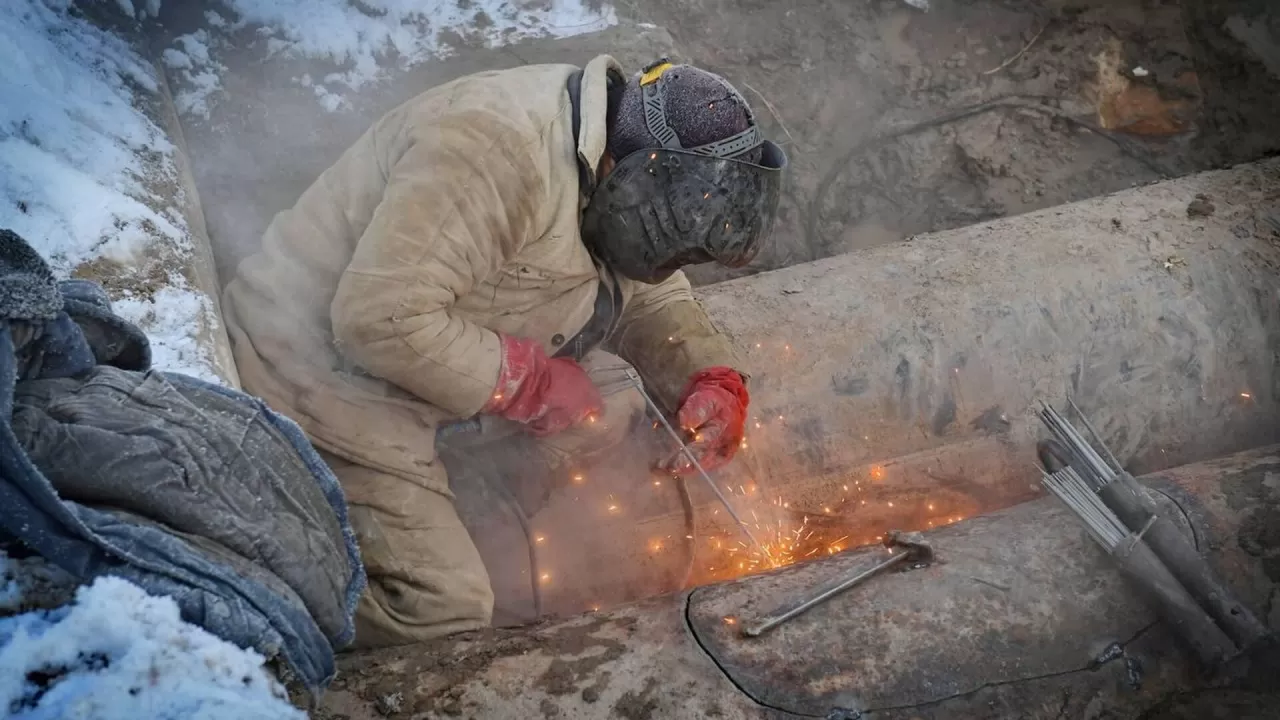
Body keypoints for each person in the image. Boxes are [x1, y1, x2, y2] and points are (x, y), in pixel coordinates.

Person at [221, 55, 787, 648]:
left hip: (443, 340)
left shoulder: (616, 169)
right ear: (636, 176)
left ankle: (462, 516)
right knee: (446, 607)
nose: (670, 257)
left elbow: (648, 278)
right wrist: (528, 384)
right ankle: (269, 603)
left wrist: (708, 375)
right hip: (326, 368)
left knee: (610, 411)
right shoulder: (496, 153)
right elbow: (375, 318)